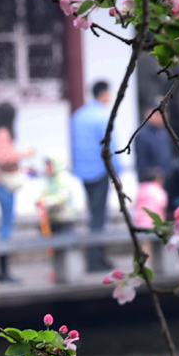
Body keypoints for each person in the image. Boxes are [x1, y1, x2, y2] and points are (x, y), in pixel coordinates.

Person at [0, 103, 32, 281]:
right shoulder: (3, 133)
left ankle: (1, 268)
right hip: (2, 182)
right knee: (6, 227)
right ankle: (4, 269)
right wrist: (22, 154)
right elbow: (4, 158)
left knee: (4, 225)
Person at [71, 80, 116, 270]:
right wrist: (116, 171)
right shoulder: (102, 116)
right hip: (100, 171)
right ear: (104, 94)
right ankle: (95, 259)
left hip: (83, 172)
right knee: (98, 217)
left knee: (93, 214)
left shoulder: (78, 115)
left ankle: (96, 256)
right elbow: (110, 147)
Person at [133, 108, 175, 181]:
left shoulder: (165, 132)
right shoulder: (143, 134)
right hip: (151, 180)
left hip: (168, 177)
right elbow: (142, 162)